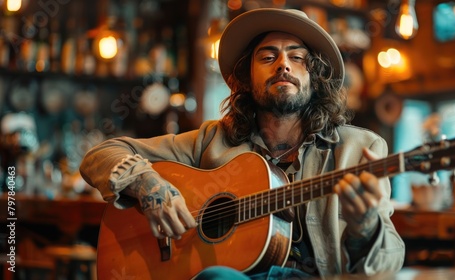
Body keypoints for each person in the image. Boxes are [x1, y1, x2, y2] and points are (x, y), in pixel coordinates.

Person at [80, 8, 405, 279]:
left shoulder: (359, 149)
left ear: (314, 78)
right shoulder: (211, 140)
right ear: (246, 79)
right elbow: (101, 154)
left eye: (297, 57)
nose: (283, 65)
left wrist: (366, 228)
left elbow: (386, 269)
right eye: (268, 56)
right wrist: (148, 184)